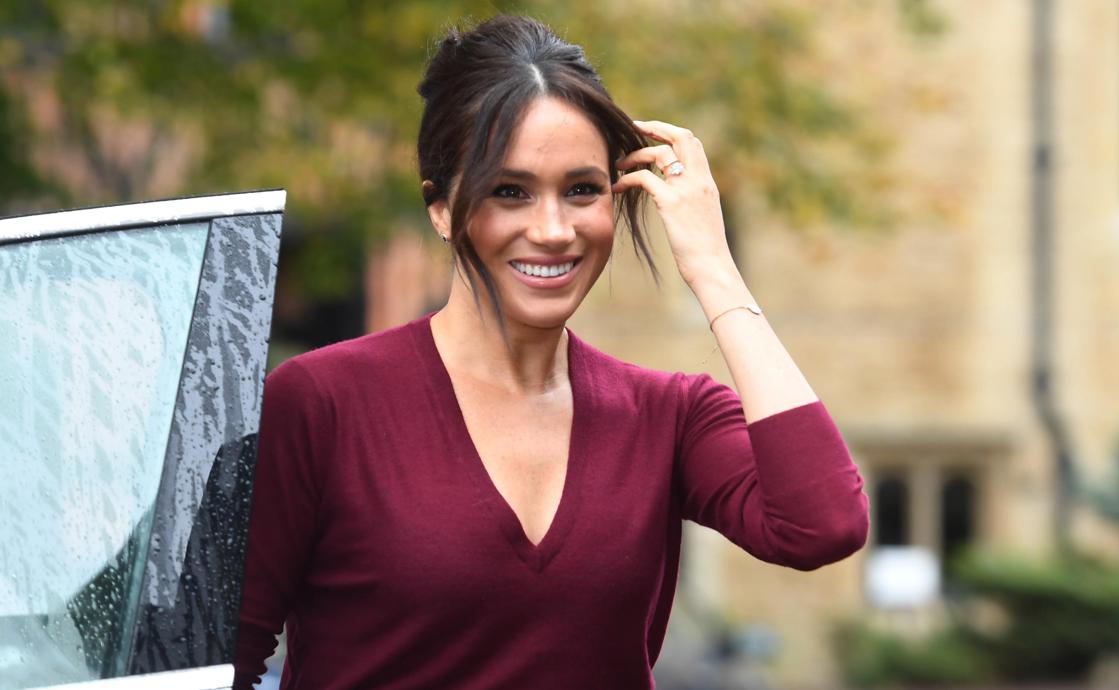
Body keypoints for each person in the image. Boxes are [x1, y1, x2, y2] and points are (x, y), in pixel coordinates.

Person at [233, 15, 869, 690]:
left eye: (581, 190)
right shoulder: (321, 403)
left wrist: (714, 268)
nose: (554, 229)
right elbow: (221, 659)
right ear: (440, 208)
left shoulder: (670, 415)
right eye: (510, 192)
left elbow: (822, 524)